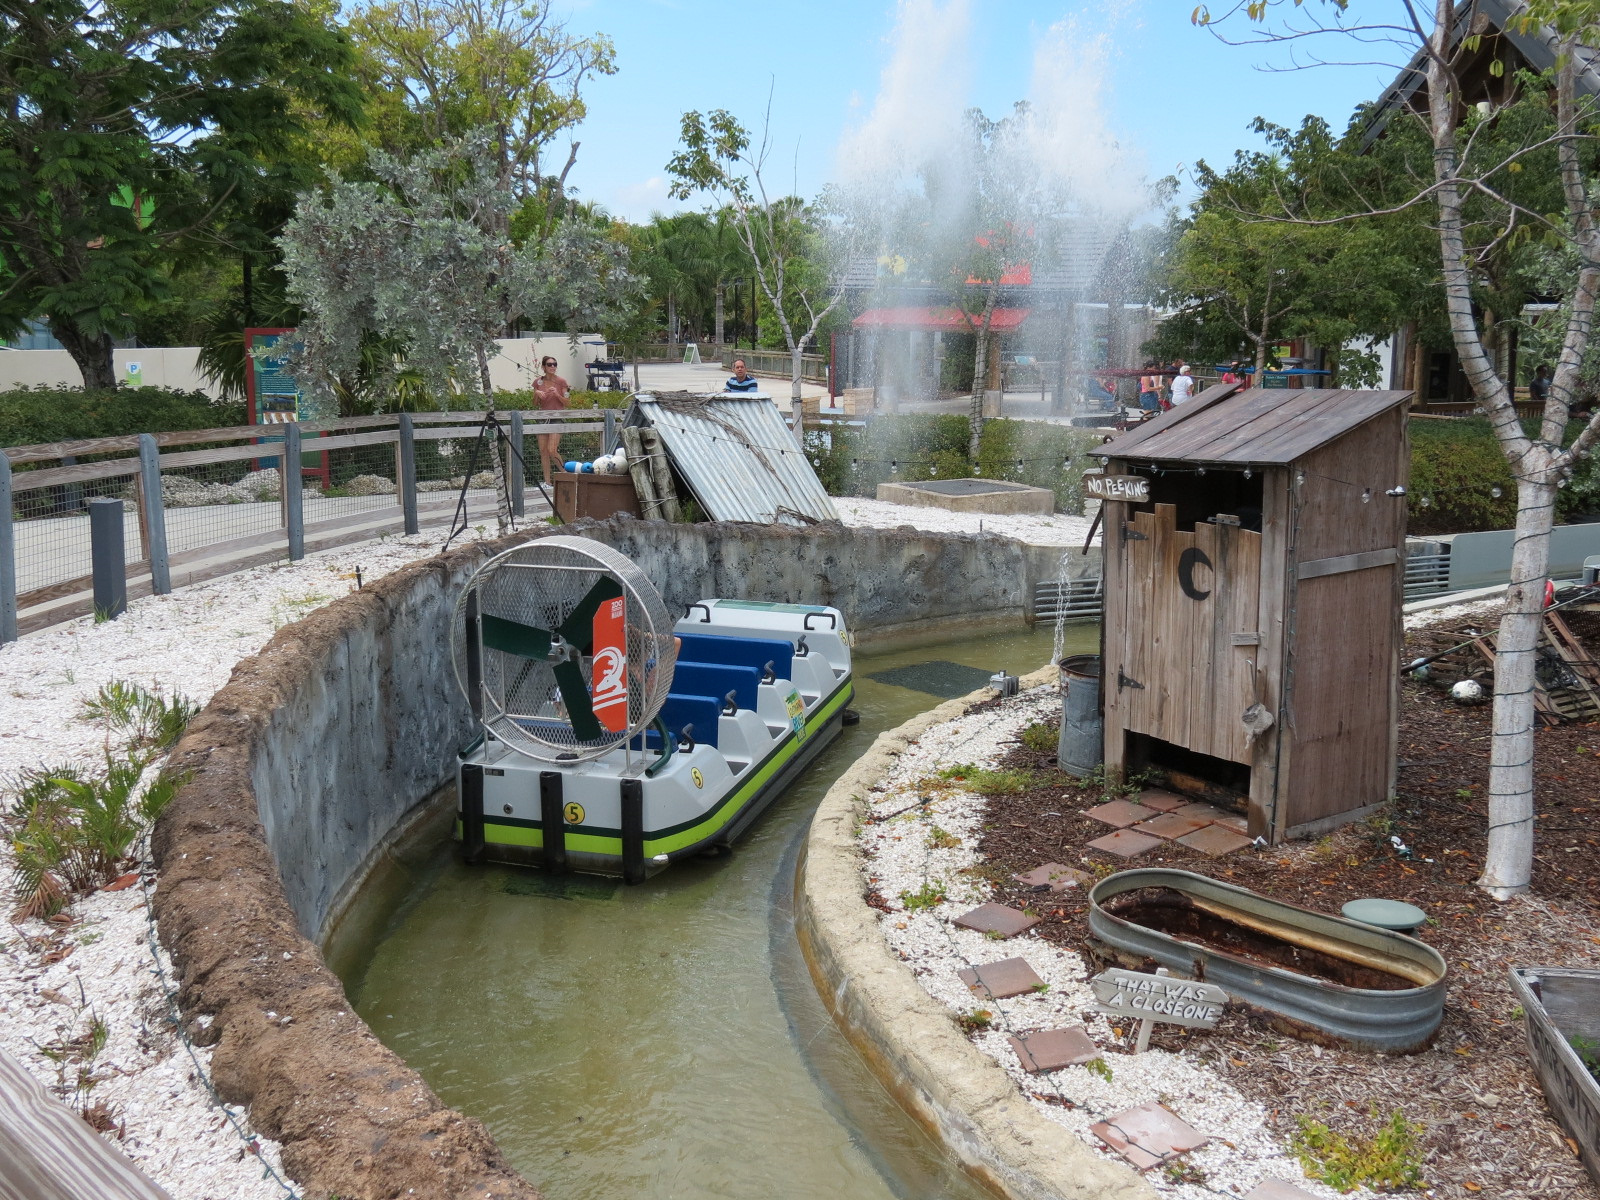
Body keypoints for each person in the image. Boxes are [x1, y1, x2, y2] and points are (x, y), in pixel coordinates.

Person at [532, 355, 570, 482]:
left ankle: (565, 473)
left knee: (552, 450)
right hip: (542, 418)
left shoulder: (562, 381)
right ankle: (547, 482)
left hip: (557, 417)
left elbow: (567, 402)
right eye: (549, 364)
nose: (553, 366)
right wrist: (537, 393)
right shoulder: (538, 382)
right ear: (543, 367)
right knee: (543, 451)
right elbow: (535, 403)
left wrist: (557, 394)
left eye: (555, 364)